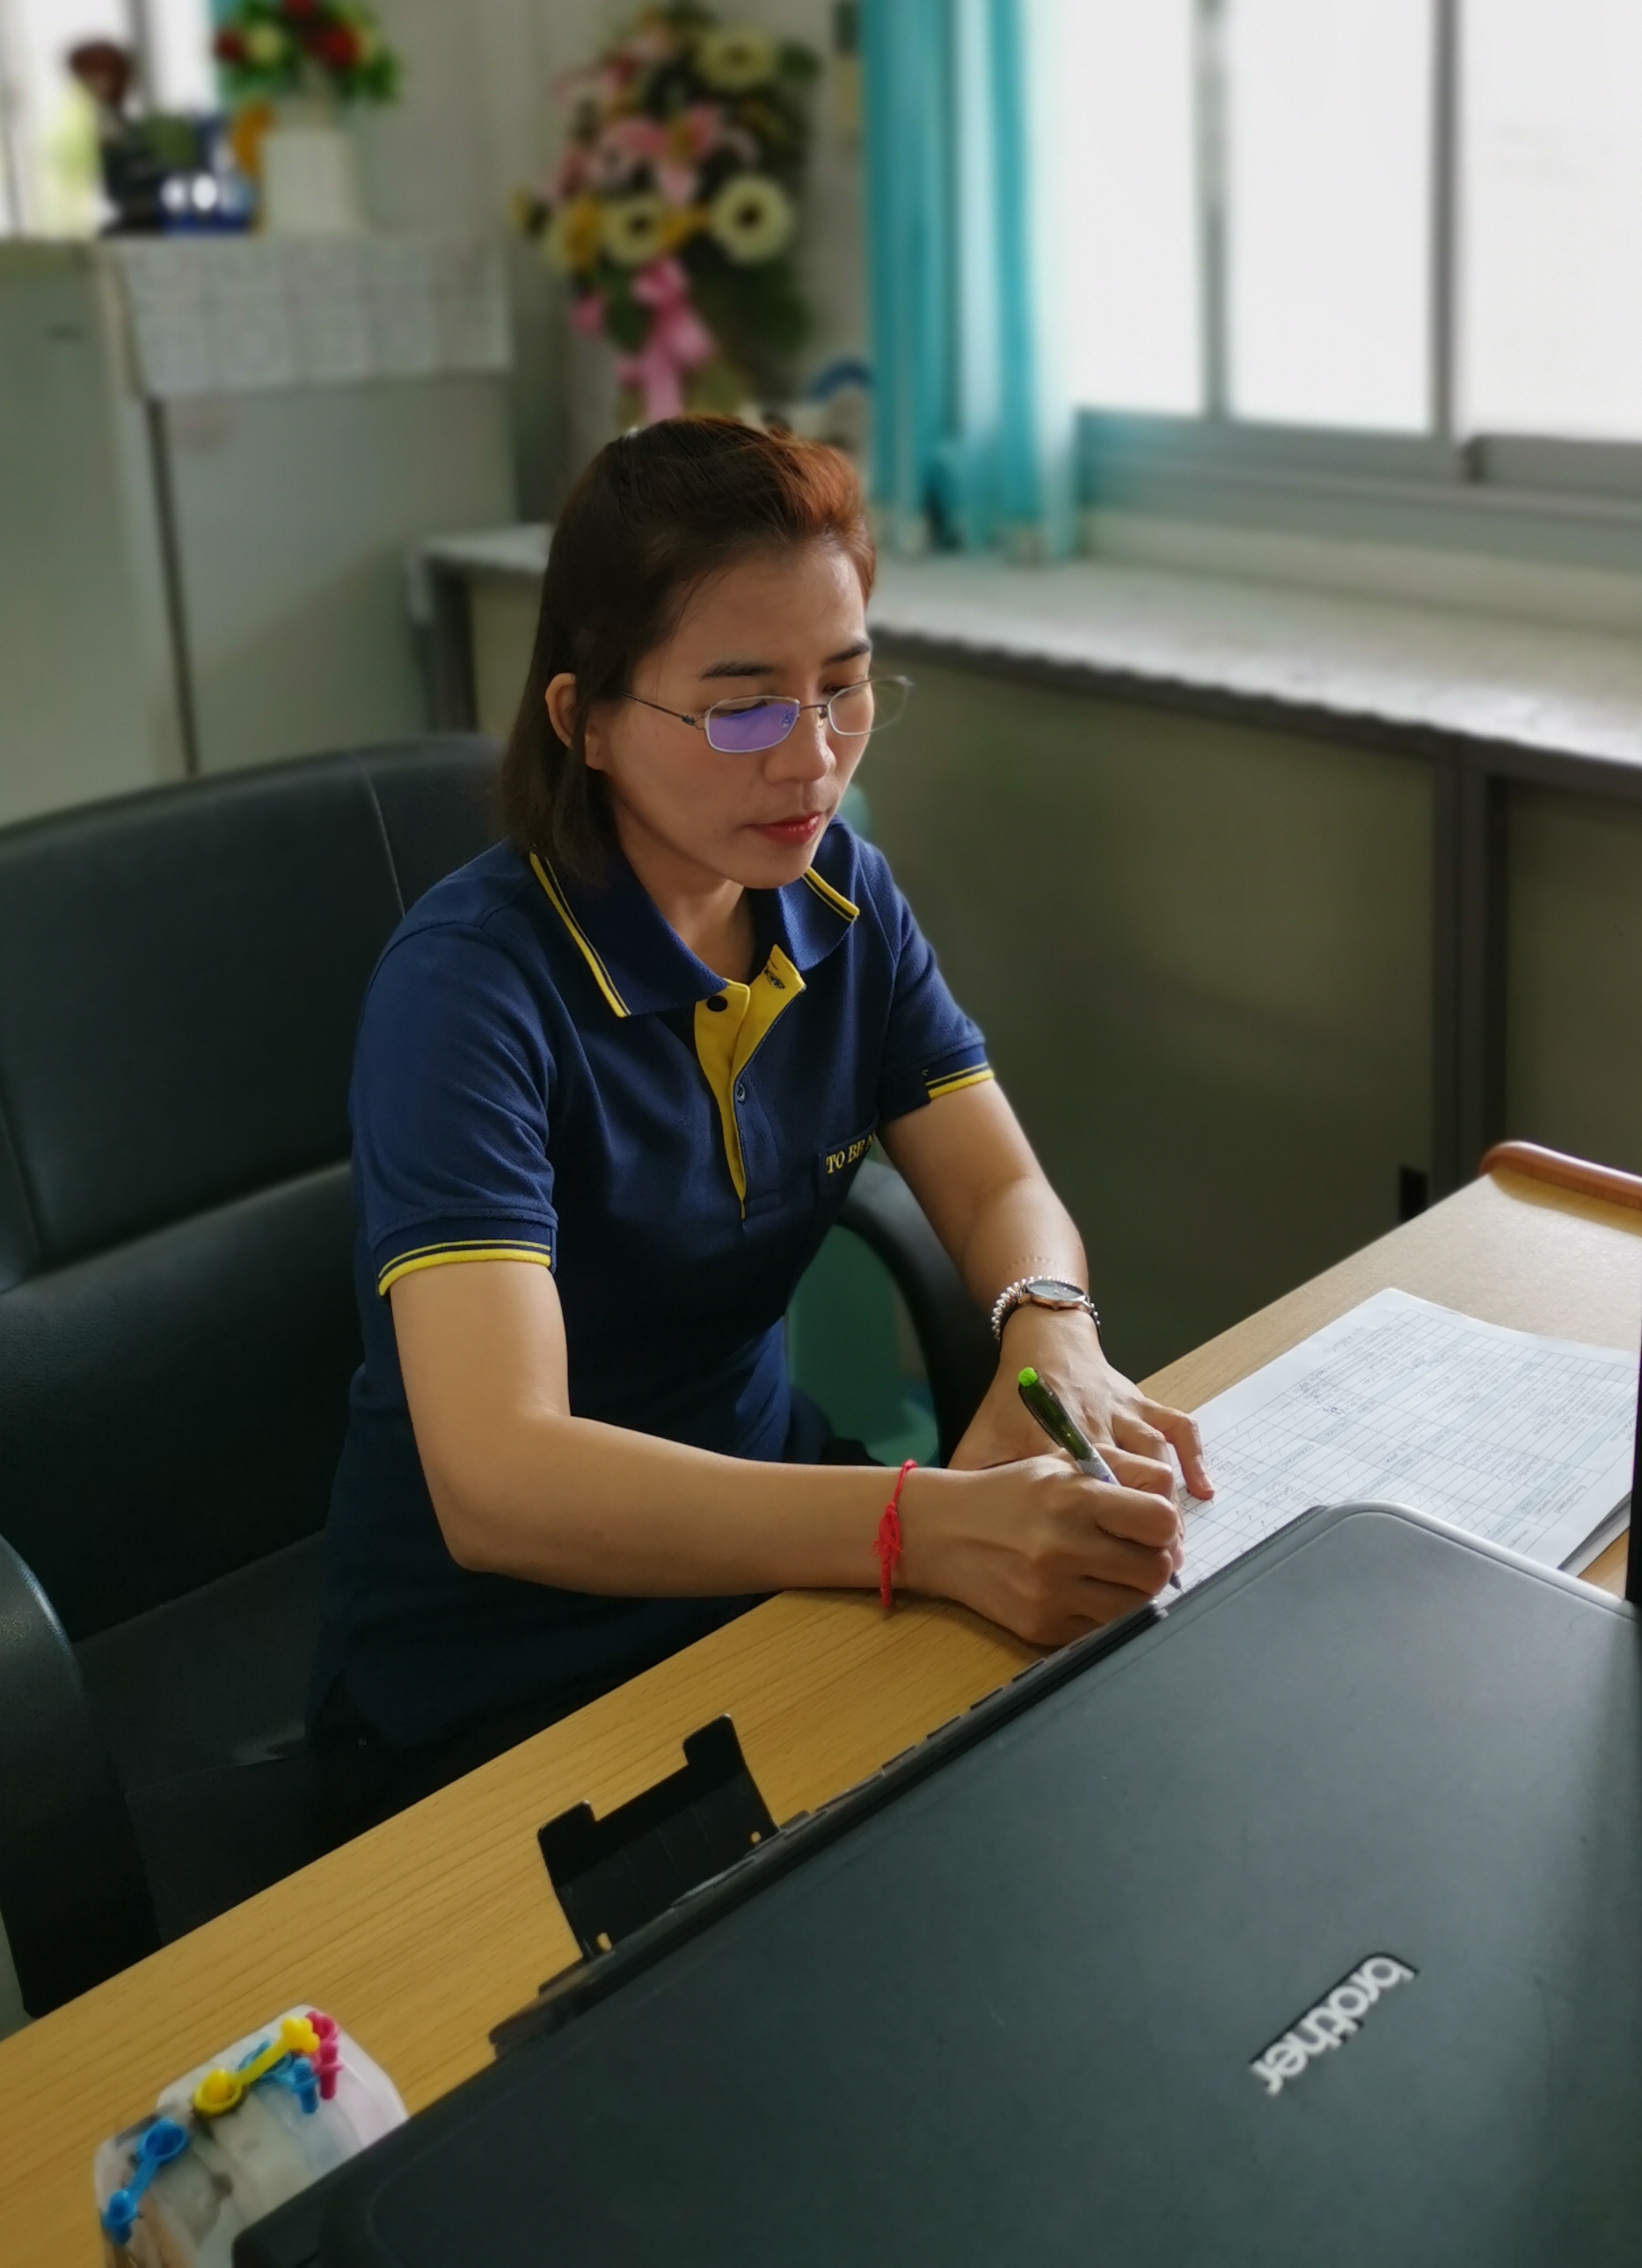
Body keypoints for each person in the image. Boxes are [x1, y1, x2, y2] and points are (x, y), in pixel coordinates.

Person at [310, 416, 1208, 1819]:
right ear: (585, 720)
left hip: (785, 1544)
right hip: (507, 1657)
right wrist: (920, 1524)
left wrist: (1052, 1335)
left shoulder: (840, 892)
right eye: (740, 709)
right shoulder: (469, 991)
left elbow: (992, 1190)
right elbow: (498, 1481)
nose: (810, 761)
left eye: (844, 691)